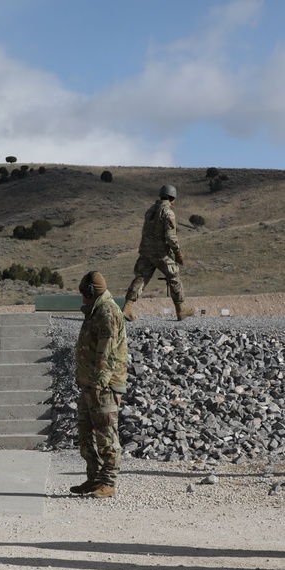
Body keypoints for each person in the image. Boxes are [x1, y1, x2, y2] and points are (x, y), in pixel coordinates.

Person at [71, 271, 128, 498]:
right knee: (86, 434)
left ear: (90, 291)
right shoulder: (95, 311)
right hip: (90, 384)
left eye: (83, 292)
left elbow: (108, 353)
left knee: (106, 434)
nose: (81, 297)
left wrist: (99, 384)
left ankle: (108, 482)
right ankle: (94, 479)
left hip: (103, 386)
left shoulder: (107, 312)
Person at [122, 184, 195, 321]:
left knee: (141, 278)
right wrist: (178, 252)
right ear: (172, 198)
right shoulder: (168, 212)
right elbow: (171, 237)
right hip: (160, 253)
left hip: (146, 251)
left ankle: (127, 307)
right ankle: (180, 310)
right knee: (174, 277)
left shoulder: (150, 210)